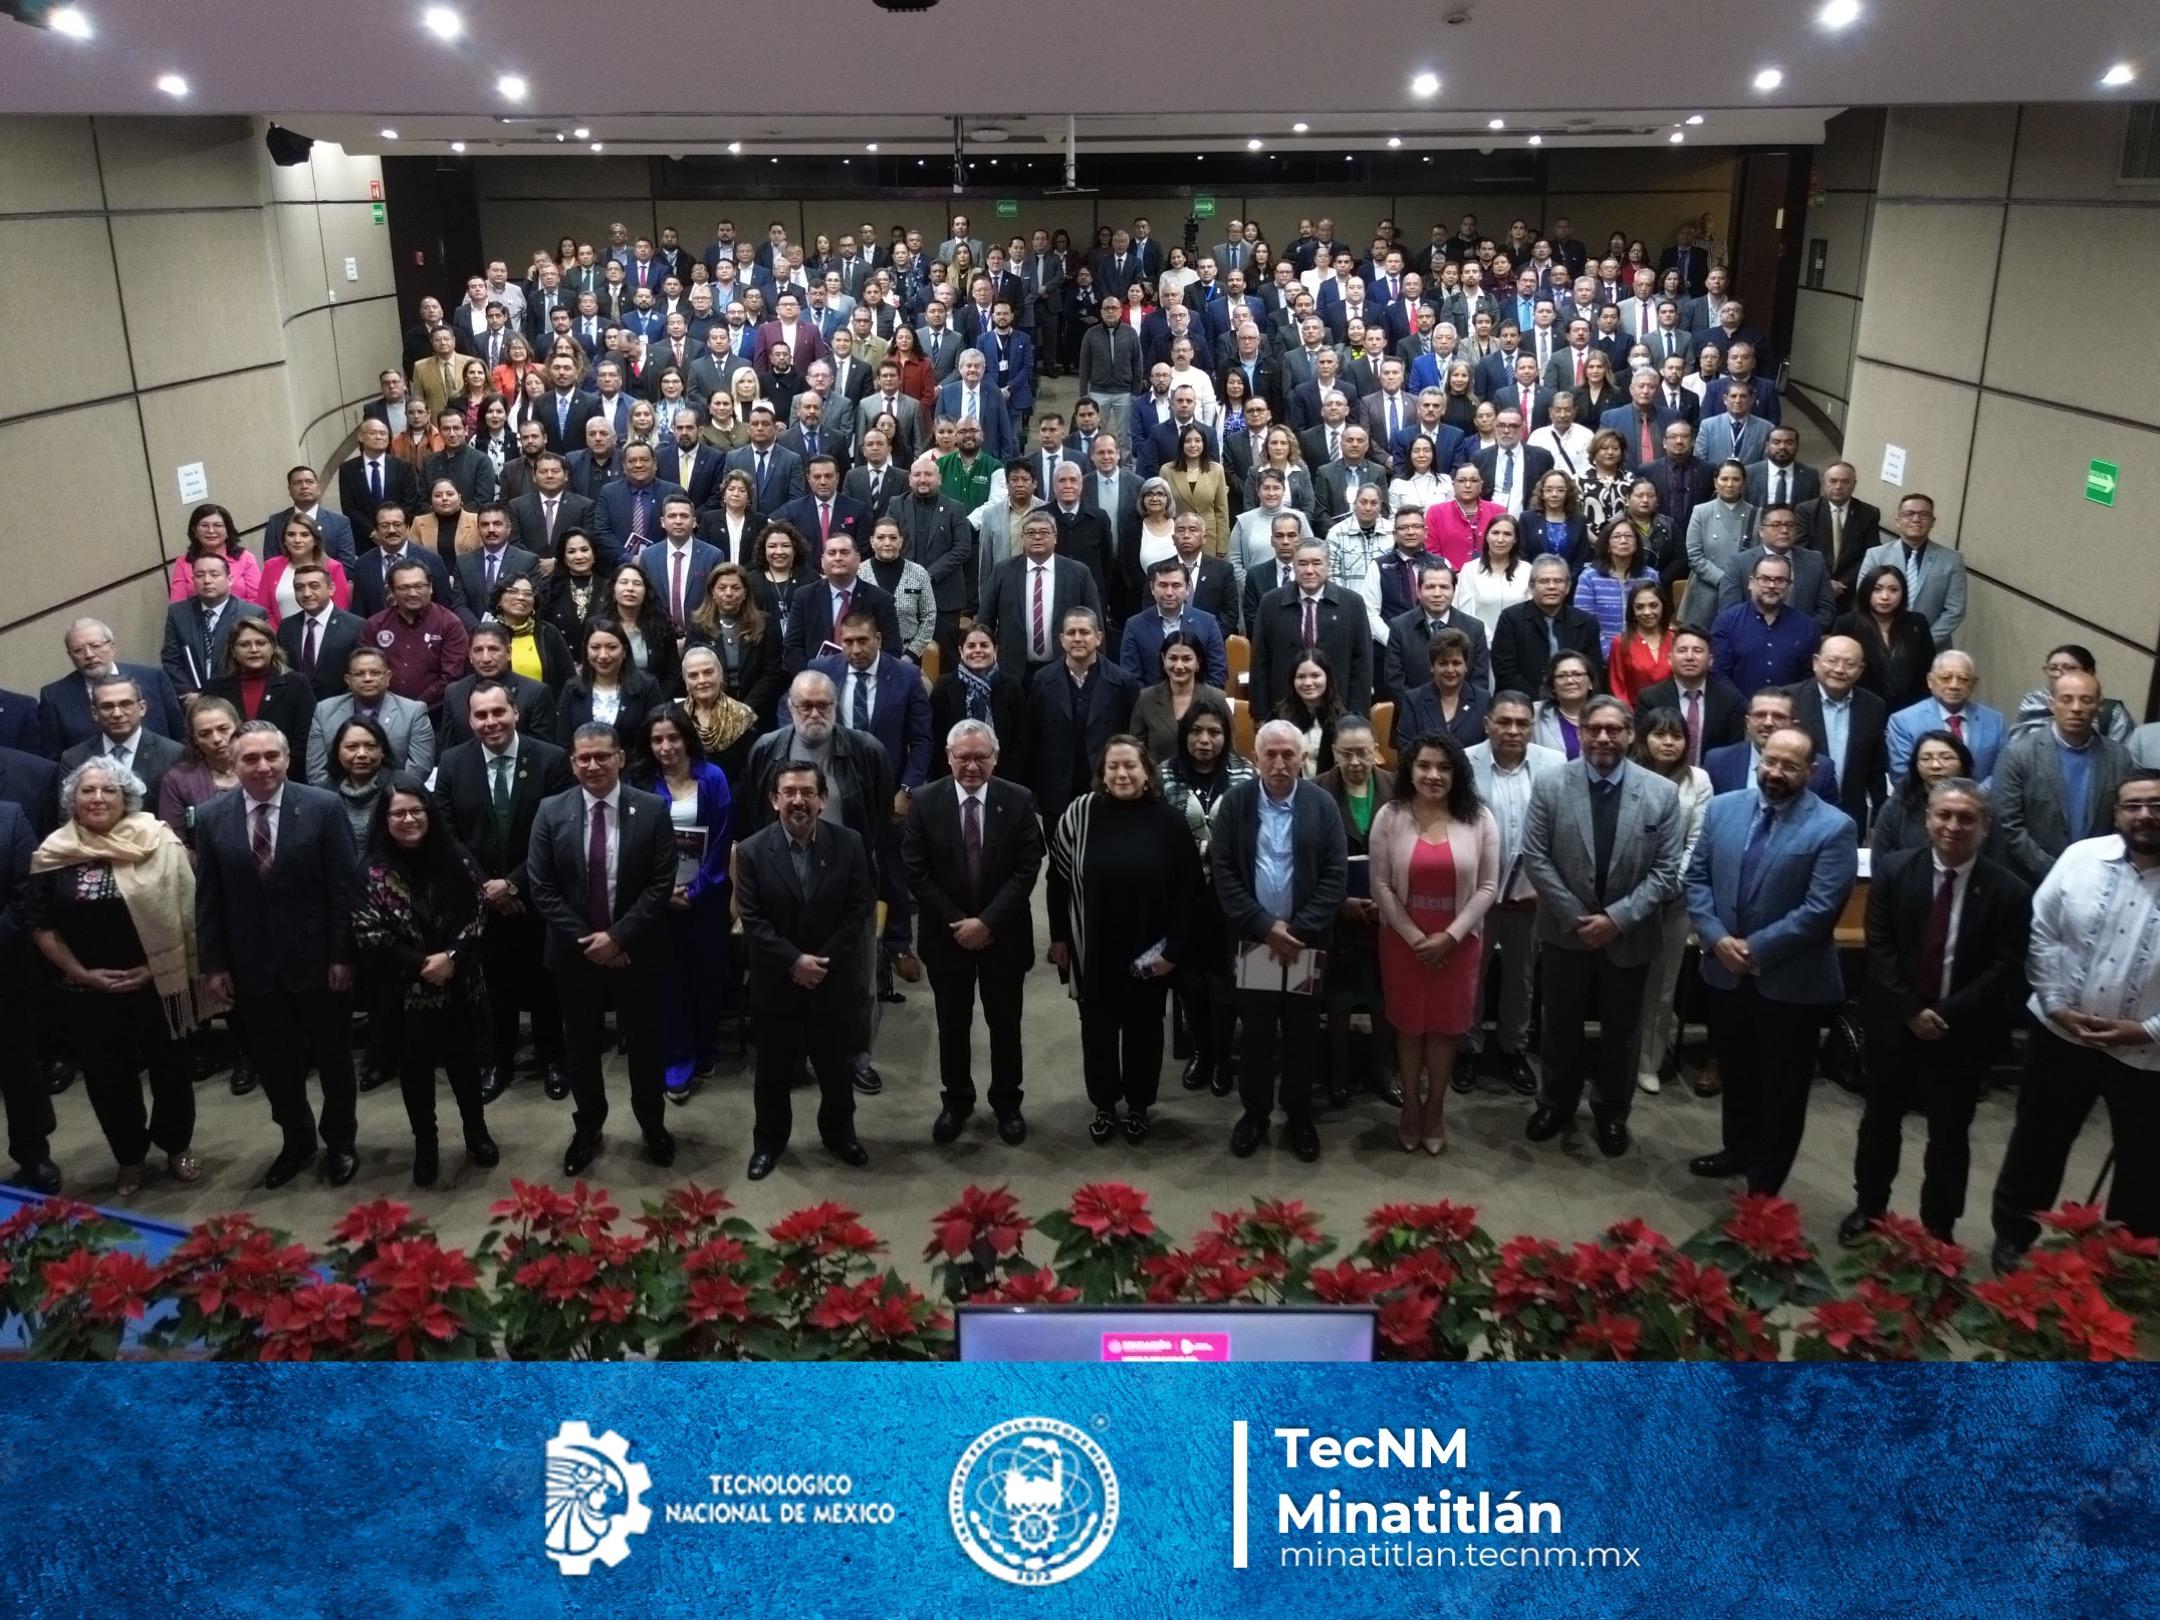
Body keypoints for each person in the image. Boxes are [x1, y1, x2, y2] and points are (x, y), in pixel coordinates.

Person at [1844, 778, 2030, 1246]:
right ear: (1927, 819)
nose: (1953, 825)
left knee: (1949, 1137)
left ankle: (1938, 1230)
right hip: (1894, 1026)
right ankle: (1870, 1209)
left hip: (1962, 1033)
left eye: (1966, 817)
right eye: (1943, 815)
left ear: (1985, 826)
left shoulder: (2009, 890)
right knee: (1879, 1125)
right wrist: (1910, 1010)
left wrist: (1945, 1014)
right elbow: (1880, 946)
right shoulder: (1893, 870)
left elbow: (2005, 966)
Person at [1990, 772, 2160, 1264]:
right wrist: (2057, 1005)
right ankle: (2014, 1235)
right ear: (2117, 813)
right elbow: (2042, 933)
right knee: (2038, 1141)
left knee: (2144, 1161)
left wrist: (2145, 1030)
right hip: (2060, 1033)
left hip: (2147, 1052)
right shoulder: (2081, 857)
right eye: (2133, 805)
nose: (2145, 814)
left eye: (2155, 804)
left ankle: (2126, 1262)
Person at [1684, 726, 1859, 1194]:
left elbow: (1820, 911)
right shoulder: (1723, 809)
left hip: (1789, 982)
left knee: (1781, 1089)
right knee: (1737, 1073)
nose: (1775, 773)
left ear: (1811, 771)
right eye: (1770, 761)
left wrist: (1755, 949)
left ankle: (1765, 1184)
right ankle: (1736, 1150)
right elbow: (1696, 880)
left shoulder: (1833, 826)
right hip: (1724, 971)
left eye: (1789, 766)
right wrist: (1719, 940)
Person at [29, 756, 210, 1197]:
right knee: (108, 1080)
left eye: (109, 790)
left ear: (126, 798)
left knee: (170, 1071)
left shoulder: (158, 841)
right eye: (87, 791)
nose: (97, 798)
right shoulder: (54, 852)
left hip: (157, 983)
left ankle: (175, 1146)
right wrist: (83, 974)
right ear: (72, 800)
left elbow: (188, 913)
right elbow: (41, 924)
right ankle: (129, 1157)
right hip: (87, 989)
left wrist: (154, 967)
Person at [194, 720, 363, 1189]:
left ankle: (341, 1142)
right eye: (250, 758)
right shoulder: (211, 817)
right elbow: (208, 897)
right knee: (275, 1063)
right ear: (233, 762)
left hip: (320, 962)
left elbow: (344, 889)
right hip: (253, 968)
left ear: (288, 759)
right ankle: (297, 1141)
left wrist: (343, 954)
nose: (263, 766)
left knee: (333, 1059)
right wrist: (214, 963)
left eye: (272, 756)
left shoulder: (324, 808)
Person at [1519, 696, 1686, 1156]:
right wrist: (1577, 918)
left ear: (1630, 734)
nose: (1603, 738)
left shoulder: (1661, 793)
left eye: (1614, 729)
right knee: (1559, 1027)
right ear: (1583, 733)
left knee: (1623, 1033)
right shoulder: (1551, 785)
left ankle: (1613, 1114)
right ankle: (1556, 1103)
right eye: (1594, 729)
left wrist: (1615, 920)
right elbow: (1535, 856)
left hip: (1630, 937)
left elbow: (1666, 872)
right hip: (1563, 932)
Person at [525, 722, 679, 1176]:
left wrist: (618, 938)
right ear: (572, 763)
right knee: (582, 1049)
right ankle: (587, 1127)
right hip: (575, 957)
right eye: (583, 758)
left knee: (646, 1048)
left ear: (621, 759)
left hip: (636, 951)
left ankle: (653, 1126)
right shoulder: (551, 811)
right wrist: (592, 942)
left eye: (602, 757)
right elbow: (542, 887)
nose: (592, 765)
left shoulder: (651, 810)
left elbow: (659, 883)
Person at [1047, 735, 1197, 1143]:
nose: (1121, 773)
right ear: (1102, 774)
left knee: (1144, 1031)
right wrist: (1060, 938)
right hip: (1091, 947)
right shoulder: (1080, 814)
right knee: (1096, 1030)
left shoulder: (1169, 821)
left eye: (1130, 765)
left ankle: (1137, 1106)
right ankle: (1103, 1104)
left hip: (1150, 952)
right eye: (1112, 766)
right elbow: (1057, 881)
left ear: (1147, 773)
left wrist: (1174, 951)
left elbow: (1189, 892)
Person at [1213, 719, 1349, 1162]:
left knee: (1301, 1034)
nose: (1279, 762)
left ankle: (1298, 1114)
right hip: (1255, 943)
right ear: (1255, 759)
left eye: (1288, 754)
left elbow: (1334, 876)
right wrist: (1264, 926)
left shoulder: (1322, 805)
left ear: (1303, 759)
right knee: (1254, 1034)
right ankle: (1254, 1113)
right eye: (1270, 754)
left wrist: (1298, 931)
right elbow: (1226, 874)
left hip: (1306, 944)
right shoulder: (1235, 805)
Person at [352, 775, 497, 1186]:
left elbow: (479, 913)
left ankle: (476, 1133)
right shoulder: (371, 870)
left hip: (459, 982)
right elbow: (368, 932)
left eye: (417, 810)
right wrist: (421, 964)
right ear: (384, 819)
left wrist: (450, 956)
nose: (409, 818)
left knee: (465, 1066)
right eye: (398, 812)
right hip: (402, 992)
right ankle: (427, 1146)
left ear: (430, 813)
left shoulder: (457, 858)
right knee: (414, 1076)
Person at [903, 719, 1043, 1145]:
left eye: (980, 757)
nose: (971, 766)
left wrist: (987, 923)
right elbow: (916, 872)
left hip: (1004, 936)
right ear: (948, 757)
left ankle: (1007, 1103)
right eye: (962, 757)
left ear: (995, 758)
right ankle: (957, 1101)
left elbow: (1027, 869)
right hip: (947, 938)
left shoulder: (1018, 800)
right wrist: (960, 924)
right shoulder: (925, 803)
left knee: (1005, 1025)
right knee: (952, 1024)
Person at [737, 761, 877, 1179]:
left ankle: (840, 1135)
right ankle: (769, 1142)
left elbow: (858, 910)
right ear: (774, 799)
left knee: (836, 1069)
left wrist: (820, 962)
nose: (798, 800)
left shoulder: (849, 844)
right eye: (789, 792)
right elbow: (753, 918)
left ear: (823, 799)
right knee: (773, 1072)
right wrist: (794, 961)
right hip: (776, 982)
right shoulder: (752, 850)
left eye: (807, 792)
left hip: (833, 979)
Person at [1371, 731, 1499, 1155]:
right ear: (1410, 768)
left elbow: (1487, 887)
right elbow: (1382, 886)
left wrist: (1450, 936)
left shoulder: (1478, 817)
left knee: (1444, 1031)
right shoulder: (1391, 815)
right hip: (1403, 942)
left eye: (1444, 767)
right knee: (1408, 1028)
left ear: (1457, 773)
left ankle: (1436, 1108)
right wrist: (1413, 937)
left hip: (1458, 944)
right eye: (1424, 765)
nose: (1433, 775)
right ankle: (1410, 1107)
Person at [630, 706, 733, 1099]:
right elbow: (634, 847)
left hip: (704, 899)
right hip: (657, 901)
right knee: (668, 983)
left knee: (705, 978)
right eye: (657, 740)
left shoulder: (713, 778)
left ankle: (705, 1049)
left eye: (672, 737)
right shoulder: (639, 781)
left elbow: (722, 840)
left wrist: (697, 889)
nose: (666, 746)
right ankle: (678, 1060)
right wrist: (662, 893)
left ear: (687, 737)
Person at [1161, 698, 1253, 1100]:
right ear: (1185, 734)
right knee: (1190, 981)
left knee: (1224, 981)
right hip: (1180, 896)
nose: (1205, 740)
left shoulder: (1246, 774)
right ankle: (1200, 1052)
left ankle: (1221, 1057)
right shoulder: (1163, 775)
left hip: (1229, 895)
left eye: (1214, 732)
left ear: (1226, 735)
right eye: (1196, 731)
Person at [1626, 707, 1713, 1095]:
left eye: (1675, 735)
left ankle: (1649, 1060)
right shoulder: (1627, 774)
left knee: (1661, 986)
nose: (1668, 742)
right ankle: (1615, 1054)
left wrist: (1666, 888)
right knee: (1618, 981)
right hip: (1623, 899)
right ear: (1642, 738)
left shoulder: (1699, 781)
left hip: (1672, 900)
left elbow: (1696, 842)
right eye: (1659, 734)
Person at [1992, 669, 2134, 887]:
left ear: (2099, 705)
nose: (2076, 708)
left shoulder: (2119, 757)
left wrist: (2094, 869)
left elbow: (2122, 820)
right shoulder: (2018, 754)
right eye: (2066, 700)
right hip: (2029, 880)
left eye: (2085, 700)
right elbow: (2008, 825)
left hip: (2096, 880)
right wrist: (2057, 870)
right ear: (2051, 704)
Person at [1247, 539, 1375, 714]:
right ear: (1293, 566)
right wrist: (1260, 714)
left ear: (1328, 566)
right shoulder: (1271, 602)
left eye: (1316, 563)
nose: (1309, 570)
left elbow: (1362, 664)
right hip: (1283, 710)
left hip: (1338, 710)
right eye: (1302, 563)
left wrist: (1357, 715)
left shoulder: (1352, 603)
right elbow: (1260, 661)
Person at [305, 646, 435, 784]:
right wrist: (338, 799)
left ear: (388, 677)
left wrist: (392, 797)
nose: (367, 679)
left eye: (375, 673)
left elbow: (420, 767)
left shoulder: (413, 712)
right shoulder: (325, 711)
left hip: (393, 797)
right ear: (348, 680)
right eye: (360, 673)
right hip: (337, 798)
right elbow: (316, 770)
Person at [58, 674, 186, 811]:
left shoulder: (172, 754)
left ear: (142, 708)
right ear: (95, 713)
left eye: (125, 704)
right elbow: (68, 815)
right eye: (107, 706)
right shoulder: (74, 759)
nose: (117, 713)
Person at [203, 618, 317, 770]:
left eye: (261, 643)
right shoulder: (215, 687)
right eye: (244, 644)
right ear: (233, 651)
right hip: (228, 773)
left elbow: (304, 740)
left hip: (283, 773)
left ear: (273, 647)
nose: (254, 649)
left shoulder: (296, 684)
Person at [1886, 650, 2007, 787]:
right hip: (1925, 805)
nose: (1954, 685)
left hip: (1981, 803)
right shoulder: (1904, 721)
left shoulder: (1994, 721)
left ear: (1973, 684)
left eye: (1963, 679)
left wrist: (1972, 798)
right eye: (1945, 678)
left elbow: (2003, 771)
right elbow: (1901, 776)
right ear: (1930, 681)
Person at [1711, 551, 1820, 699]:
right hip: (1738, 714)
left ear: (1790, 586)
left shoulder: (1807, 627)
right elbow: (1719, 675)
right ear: (1751, 583)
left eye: (1780, 580)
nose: (1771, 585)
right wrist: (1746, 709)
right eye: (1765, 579)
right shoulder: (1727, 622)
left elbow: (1811, 680)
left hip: (1790, 715)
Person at [1491, 555, 1602, 699]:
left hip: (1575, 703)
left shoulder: (1586, 622)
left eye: (1558, 581)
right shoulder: (1511, 618)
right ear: (1531, 586)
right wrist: (1541, 702)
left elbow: (1594, 672)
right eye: (1544, 581)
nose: (1551, 586)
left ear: (1568, 587)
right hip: (1522, 704)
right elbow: (1505, 671)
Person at [1833, 564, 1936, 716]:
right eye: (1877, 589)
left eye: (1893, 590)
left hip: (1909, 713)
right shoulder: (1847, 624)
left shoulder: (1917, 623)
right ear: (1867, 591)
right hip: (1861, 712)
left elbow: (1929, 671)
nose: (1885, 597)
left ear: (1903, 593)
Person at [161, 554, 269, 699]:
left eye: (214, 574)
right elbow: (171, 659)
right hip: (192, 699)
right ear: (192, 580)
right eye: (200, 575)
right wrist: (188, 693)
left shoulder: (251, 613)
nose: (207, 581)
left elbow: (255, 660)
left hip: (236, 697)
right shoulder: (179, 613)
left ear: (230, 579)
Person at [558, 619, 664, 752]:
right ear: (586, 651)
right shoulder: (572, 689)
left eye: (612, 647)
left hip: (635, 770)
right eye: (595, 648)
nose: (603, 655)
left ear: (624, 650)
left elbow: (656, 737)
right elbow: (564, 742)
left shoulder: (647, 686)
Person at [929, 624, 1024, 770]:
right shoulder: (944, 686)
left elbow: (1021, 740)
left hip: (1003, 778)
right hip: (953, 776)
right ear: (961, 651)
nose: (978, 650)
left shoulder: (1011, 686)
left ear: (995, 650)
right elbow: (935, 738)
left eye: (984, 645)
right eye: (971, 646)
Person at [156, 696, 241, 856]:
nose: (216, 739)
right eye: (205, 733)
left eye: (223, 729)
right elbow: (175, 842)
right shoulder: (177, 780)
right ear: (195, 739)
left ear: (237, 727)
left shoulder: (261, 769)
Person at [1394, 628, 1490, 754]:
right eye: (1443, 663)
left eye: (1456, 663)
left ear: (1465, 666)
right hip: (1427, 772)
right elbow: (1405, 747)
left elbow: (1488, 748)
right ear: (1432, 667)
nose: (1450, 670)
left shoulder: (1483, 700)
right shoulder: (1413, 700)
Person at [1573, 518, 1659, 658]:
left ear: (1637, 544)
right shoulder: (1589, 577)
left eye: (1629, 536)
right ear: (1607, 545)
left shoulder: (1650, 576)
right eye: (1616, 537)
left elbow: (1656, 618)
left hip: (1643, 656)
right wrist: (1611, 654)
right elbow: (1584, 622)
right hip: (1600, 657)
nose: (1623, 540)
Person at [323, 715, 392, 849]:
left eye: (370, 746)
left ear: (382, 751)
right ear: (337, 752)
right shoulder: (324, 792)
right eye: (352, 747)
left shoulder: (401, 787)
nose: (361, 754)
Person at [1606, 579, 1676, 706]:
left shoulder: (1675, 639)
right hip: (1636, 718)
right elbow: (1618, 688)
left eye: (1653, 605)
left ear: (1663, 606)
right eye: (1639, 607)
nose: (1647, 612)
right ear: (1632, 610)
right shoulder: (1621, 643)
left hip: (1674, 718)